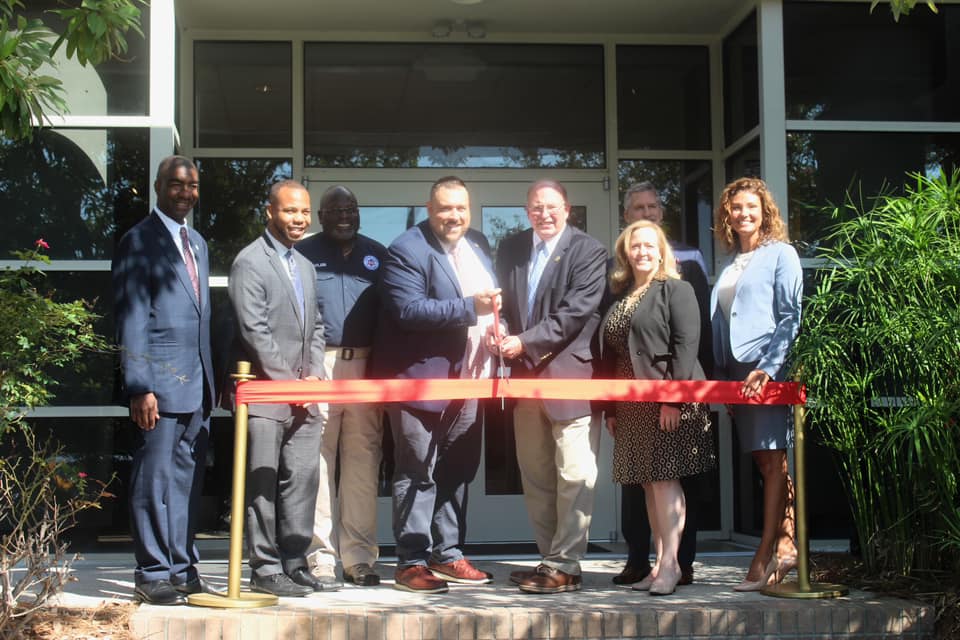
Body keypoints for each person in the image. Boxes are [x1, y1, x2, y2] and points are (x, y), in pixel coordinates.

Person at [371, 176, 501, 594]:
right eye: (445, 208)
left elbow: (490, 305)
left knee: (459, 469)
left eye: (461, 208)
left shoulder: (476, 245)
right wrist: (470, 308)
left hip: (470, 380)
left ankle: (447, 554)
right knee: (416, 469)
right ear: (429, 209)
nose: (454, 216)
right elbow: (408, 310)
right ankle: (410, 561)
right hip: (420, 382)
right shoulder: (407, 249)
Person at [491, 179, 607, 594]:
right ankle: (550, 564)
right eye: (536, 207)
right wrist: (499, 330)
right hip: (524, 380)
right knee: (537, 477)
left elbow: (577, 312)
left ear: (567, 208)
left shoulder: (589, 251)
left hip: (572, 380)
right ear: (527, 211)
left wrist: (524, 341)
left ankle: (566, 564)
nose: (544, 214)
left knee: (575, 475)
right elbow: (501, 303)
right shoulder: (511, 249)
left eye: (551, 206)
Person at [112, 155, 218, 605]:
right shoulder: (138, 240)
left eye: (192, 185)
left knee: (185, 484)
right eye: (176, 184)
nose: (185, 192)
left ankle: (182, 567)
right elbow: (131, 318)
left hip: (196, 386)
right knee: (152, 481)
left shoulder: (197, 242)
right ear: (157, 186)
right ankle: (152, 571)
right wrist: (139, 385)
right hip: (157, 386)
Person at [228, 180, 332, 597]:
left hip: (305, 395)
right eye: (291, 211)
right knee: (262, 485)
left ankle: (294, 560)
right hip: (268, 395)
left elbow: (318, 327)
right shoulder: (249, 262)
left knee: (302, 480)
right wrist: (290, 384)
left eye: (304, 212)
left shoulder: (304, 265)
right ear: (269, 211)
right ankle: (264, 568)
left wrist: (313, 378)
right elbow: (255, 331)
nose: (299, 219)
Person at [600, 220, 716, 596]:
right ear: (625, 252)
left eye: (650, 245)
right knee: (650, 483)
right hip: (633, 405)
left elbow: (687, 345)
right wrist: (613, 408)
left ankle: (671, 566)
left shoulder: (676, 289)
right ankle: (658, 562)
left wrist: (673, 399)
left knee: (666, 480)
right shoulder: (623, 294)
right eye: (636, 246)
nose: (642, 252)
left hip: (668, 400)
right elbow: (617, 355)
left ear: (661, 250)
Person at [710, 177, 802, 591]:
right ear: (726, 216)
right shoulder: (732, 263)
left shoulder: (781, 254)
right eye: (735, 207)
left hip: (764, 373)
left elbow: (790, 316)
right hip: (735, 376)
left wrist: (769, 366)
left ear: (765, 211)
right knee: (766, 464)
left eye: (751, 206)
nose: (743, 213)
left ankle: (765, 554)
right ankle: (785, 547)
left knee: (772, 461)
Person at [297, 186, 387, 587]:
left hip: (367, 366)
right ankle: (320, 557)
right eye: (335, 210)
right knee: (318, 461)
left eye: (350, 208)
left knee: (363, 463)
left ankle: (360, 558)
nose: (344, 216)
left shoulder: (378, 254)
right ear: (321, 216)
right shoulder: (302, 253)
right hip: (321, 365)